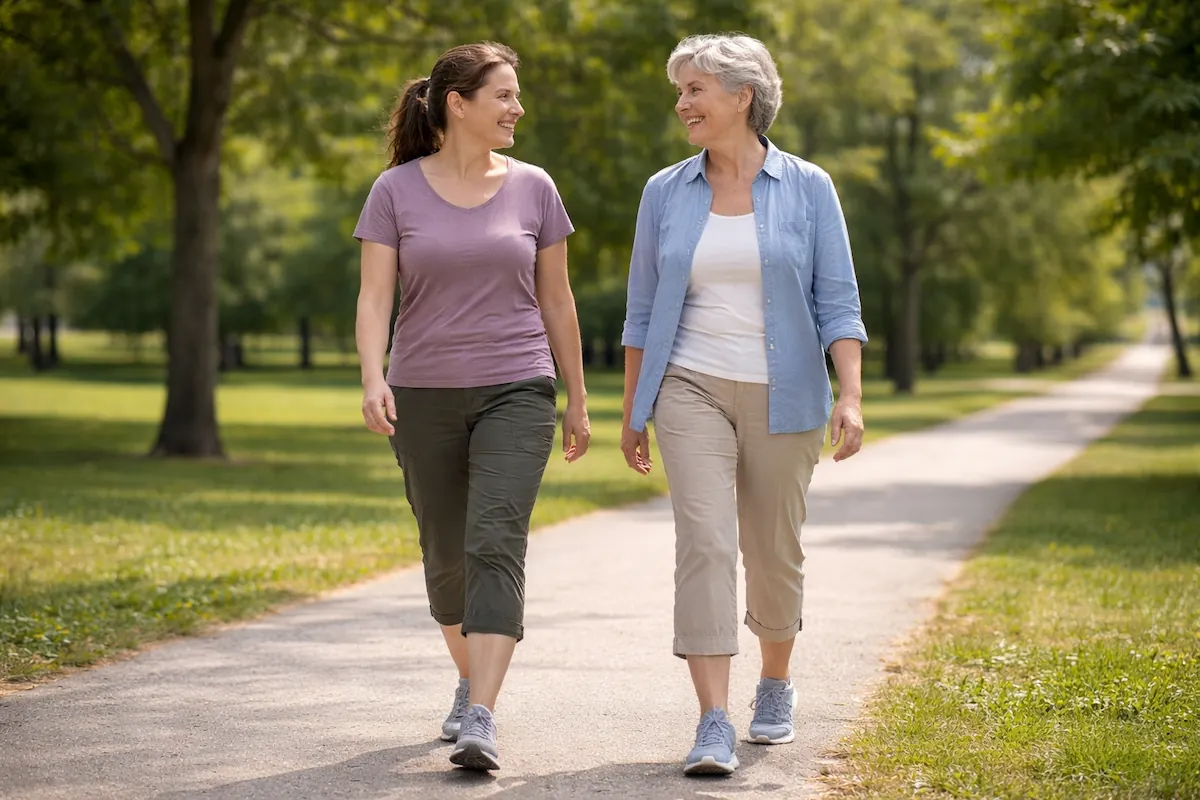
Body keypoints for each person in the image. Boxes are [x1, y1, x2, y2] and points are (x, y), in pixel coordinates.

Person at [619, 33, 868, 776]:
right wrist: (635, 408)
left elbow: (839, 301)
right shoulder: (665, 191)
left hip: (786, 389)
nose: (681, 103)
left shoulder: (809, 187)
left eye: (695, 88)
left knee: (772, 552)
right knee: (703, 540)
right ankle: (713, 720)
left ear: (742, 97)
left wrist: (849, 395)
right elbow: (639, 309)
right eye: (681, 90)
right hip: (688, 385)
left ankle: (775, 683)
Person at [353, 41, 590, 772]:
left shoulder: (535, 188)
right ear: (459, 105)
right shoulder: (395, 191)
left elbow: (557, 298)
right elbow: (374, 296)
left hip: (517, 387)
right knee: (446, 557)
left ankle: (482, 714)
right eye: (504, 96)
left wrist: (577, 397)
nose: (518, 109)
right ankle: (468, 678)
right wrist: (372, 375)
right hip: (422, 391)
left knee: (495, 539)